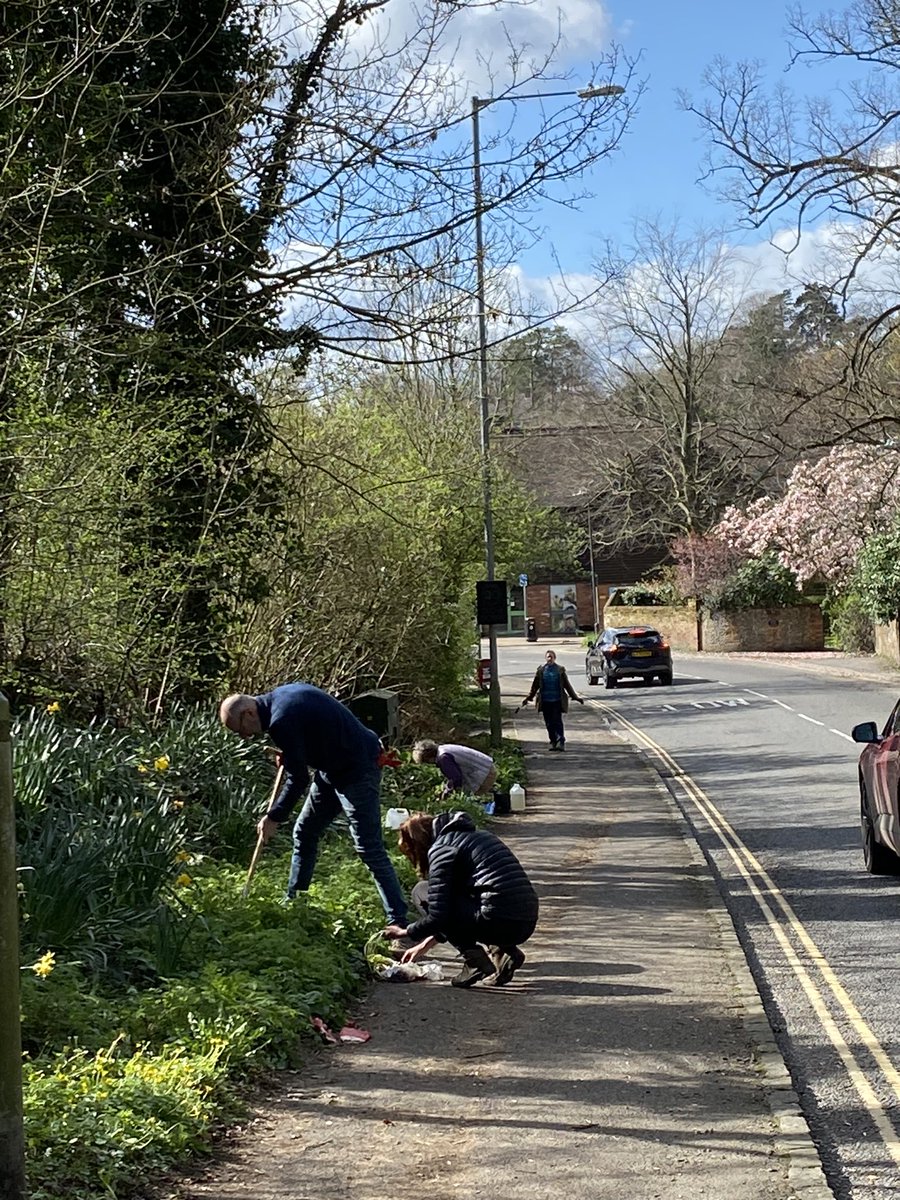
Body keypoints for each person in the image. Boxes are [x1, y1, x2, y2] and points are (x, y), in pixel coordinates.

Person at [219, 684, 409, 927]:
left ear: (248, 713)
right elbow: (314, 733)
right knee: (305, 831)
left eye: (241, 730)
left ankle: (399, 921)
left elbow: (298, 779)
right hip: (333, 766)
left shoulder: (281, 720)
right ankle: (295, 903)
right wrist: (291, 754)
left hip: (357, 769)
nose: (245, 736)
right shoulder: (281, 697)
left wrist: (274, 816)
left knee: (368, 847)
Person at [384, 810, 539, 989]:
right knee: (482, 902)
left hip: (498, 919)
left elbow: (439, 916)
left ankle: (475, 962)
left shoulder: (441, 849)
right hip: (525, 920)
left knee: (421, 891)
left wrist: (406, 932)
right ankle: (504, 952)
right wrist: (424, 945)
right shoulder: (476, 836)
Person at [523, 649, 584, 751]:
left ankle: (561, 741)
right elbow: (534, 687)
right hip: (545, 701)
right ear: (545, 658)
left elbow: (567, 685)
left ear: (555, 658)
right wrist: (528, 698)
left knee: (557, 721)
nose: (550, 658)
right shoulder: (541, 671)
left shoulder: (560, 670)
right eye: (548, 657)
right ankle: (553, 741)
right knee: (549, 723)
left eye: (551, 656)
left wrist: (575, 697)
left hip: (557, 700)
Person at [411, 739, 497, 798]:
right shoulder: (443, 749)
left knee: (472, 797)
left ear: (428, 756)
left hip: (484, 772)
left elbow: (455, 778)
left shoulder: (443, 758)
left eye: (426, 761)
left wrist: (447, 791)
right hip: (486, 766)